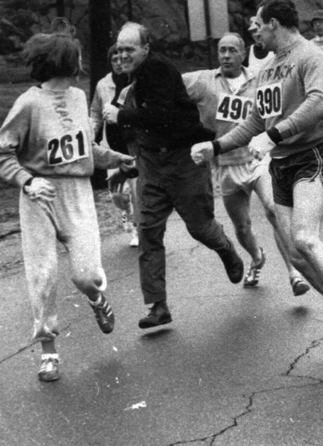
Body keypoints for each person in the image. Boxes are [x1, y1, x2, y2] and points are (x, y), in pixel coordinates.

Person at [0, 32, 134, 381]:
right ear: (65, 62)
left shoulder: (78, 97)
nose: (81, 63)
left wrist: (120, 159)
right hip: (39, 197)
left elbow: (86, 150)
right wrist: (27, 181)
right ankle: (48, 351)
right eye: (77, 57)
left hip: (77, 193)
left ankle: (97, 298)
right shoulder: (28, 104)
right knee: (43, 275)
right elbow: (3, 152)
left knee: (86, 274)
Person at [191, 0, 323, 306]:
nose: (255, 32)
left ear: (274, 23)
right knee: (296, 257)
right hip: (281, 164)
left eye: (258, 25)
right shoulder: (269, 69)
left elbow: (320, 102)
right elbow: (255, 121)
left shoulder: (310, 56)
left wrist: (274, 134)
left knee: (305, 238)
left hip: (311, 156)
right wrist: (214, 146)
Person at [103, 22, 245, 329]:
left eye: (130, 49)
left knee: (200, 228)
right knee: (148, 233)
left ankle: (226, 250)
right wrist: (125, 159)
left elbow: (160, 115)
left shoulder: (158, 70)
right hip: (151, 163)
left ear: (146, 48)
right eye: (119, 49)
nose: (123, 54)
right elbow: (121, 122)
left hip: (183, 160)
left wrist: (121, 115)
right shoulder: (125, 76)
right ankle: (158, 306)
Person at [183, 32, 311, 296]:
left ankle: (295, 273)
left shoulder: (259, 80)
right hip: (226, 165)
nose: (226, 56)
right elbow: (169, 85)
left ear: (243, 53)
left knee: (274, 211)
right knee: (242, 227)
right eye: (222, 51)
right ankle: (256, 256)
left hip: (257, 159)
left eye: (232, 50)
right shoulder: (203, 80)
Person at [90, 44, 140, 248]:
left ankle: (138, 228)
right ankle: (126, 211)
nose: (119, 63)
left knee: (137, 190)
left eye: (121, 59)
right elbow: (95, 113)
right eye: (114, 60)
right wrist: (90, 134)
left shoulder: (138, 81)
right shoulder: (103, 85)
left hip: (134, 145)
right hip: (112, 146)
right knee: (117, 193)